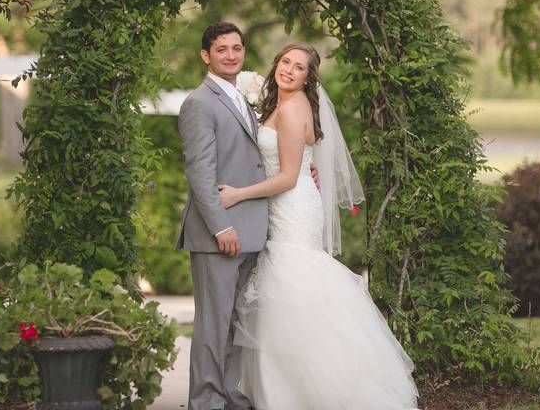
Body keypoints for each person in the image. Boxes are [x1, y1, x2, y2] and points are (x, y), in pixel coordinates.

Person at [217, 42, 420, 410]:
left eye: (299, 67)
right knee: (286, 295)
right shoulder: (277, 103)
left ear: (308, 78)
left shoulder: (293, 109)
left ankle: (307, 395)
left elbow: (288, 177)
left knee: (292, 290)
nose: (289, 70)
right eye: (285, 62)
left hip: (291, 208)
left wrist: (238, 194)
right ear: (276, 63)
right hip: (286, 205)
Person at [176, 21, 268, 410]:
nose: (231, 55)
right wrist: (222, 227)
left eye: (236, 48)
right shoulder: (199, 102)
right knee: (213, 325)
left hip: (250, 229)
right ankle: (206, 401)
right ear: (206, 55)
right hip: (221, 234)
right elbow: (200, 173)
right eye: (221, 49)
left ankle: (230, 396)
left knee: (234, 323)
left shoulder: (243, 97)